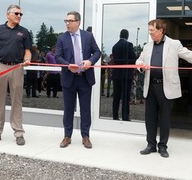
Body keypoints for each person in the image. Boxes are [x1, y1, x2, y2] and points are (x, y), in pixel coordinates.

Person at [136, 19, 192, 158]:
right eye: (149, 30)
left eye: (152, 31)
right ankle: (151, 145)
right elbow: (139, 60)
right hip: (150, 87)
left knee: (165, 119)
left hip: (166, 87)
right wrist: (141, 65)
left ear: (160, 30)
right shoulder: (147, 46)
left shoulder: (174, 44)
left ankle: (163, 147)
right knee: (150, 118)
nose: (149, 33)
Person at [0, 4, 31, 146]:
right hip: (0, 67)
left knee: (17, 100)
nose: (19, 16)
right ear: (8, 14)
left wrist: (27, 59)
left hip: (16, 67)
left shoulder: (24, 32)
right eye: (16, 13)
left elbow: (27, 51)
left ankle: (19, 133)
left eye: (21, 14)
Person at [55, 11, 101, 149]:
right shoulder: (61, 38)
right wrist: (68, 66)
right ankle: (67, 136)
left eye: (70, 21)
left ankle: (85, 136)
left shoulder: (88, 36)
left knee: (85, 109)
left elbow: (97, 52)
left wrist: (90, 61)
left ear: (78, 22)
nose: (67, 23)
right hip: (69, 79)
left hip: (84, 78)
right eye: (66, 21)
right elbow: (58, 56)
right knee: (68, 109)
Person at [112, 29, 137, 121]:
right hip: (126, 74)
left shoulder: (115, 46)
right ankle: (125, 116)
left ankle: (115, 115)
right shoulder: (129, 45)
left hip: (116, 74)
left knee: (116, 96)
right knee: (125, 96)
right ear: (127, 36)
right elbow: (133, 58)